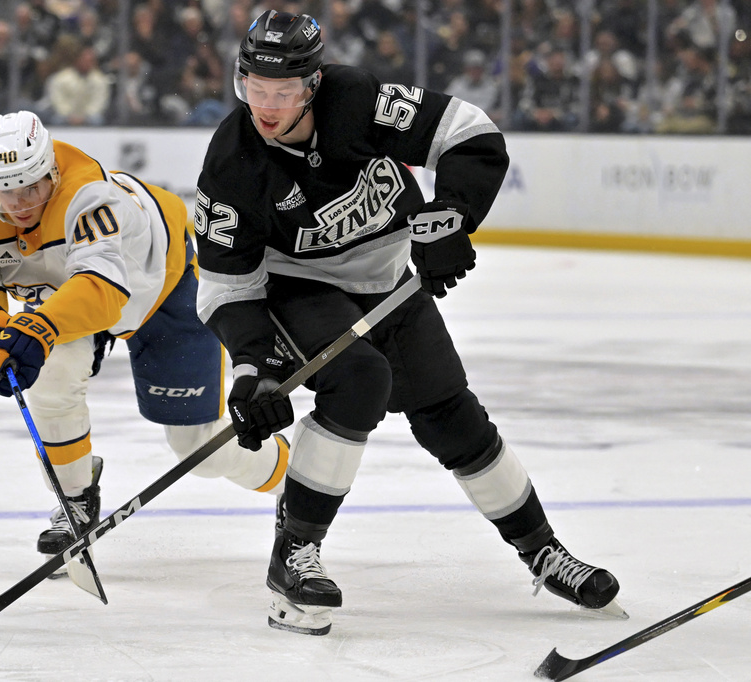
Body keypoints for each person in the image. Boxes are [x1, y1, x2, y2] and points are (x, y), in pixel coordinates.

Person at [193, 10, 624, 636]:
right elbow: (228, 285)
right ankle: (293, 558)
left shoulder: (359, 101)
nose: (266, 105)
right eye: (254, 88)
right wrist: (255, 368)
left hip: (391, 277)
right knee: (359, 379)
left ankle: (541, 551)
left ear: (313, 85)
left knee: (454, 414)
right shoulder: (232, 164)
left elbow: (470, 132)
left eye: (282, 92)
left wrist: (450, 216)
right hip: (300, 286)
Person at [0, 110, 289, 577]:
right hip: (66, 299)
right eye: (6, 190)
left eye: (32, 187)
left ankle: (293, 476)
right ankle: (75, 496)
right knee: (47, 379)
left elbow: (102, 293)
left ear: (53, 172)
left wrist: (33, 331)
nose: (20, 204)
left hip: (159, 288)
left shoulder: (90, 195)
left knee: (198, 448)